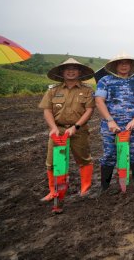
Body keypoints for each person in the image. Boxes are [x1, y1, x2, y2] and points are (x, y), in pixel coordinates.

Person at [39, 58, 96, 211]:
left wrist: (75, 127)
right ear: (62, 72)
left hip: (79, 130)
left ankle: (85, 188)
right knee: (52, 162)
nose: (71, 71)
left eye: (74, 69)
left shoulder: (87, 90)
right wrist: (53, 128)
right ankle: (53, 191)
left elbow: (89, 110)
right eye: (67, 69)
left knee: (83, 158)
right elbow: (47, 110)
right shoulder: (53, 90)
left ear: (80, 72)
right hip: (58, 130)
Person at [94, 52, 134, 194]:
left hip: (132, 124)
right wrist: (110, 121)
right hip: (111, 125)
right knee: (109, 154)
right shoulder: (105, 81)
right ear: (115, 65)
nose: (124, 65)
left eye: (127, 63)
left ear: (130, 65)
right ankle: (104, 186)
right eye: (121, 63)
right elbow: (99, 100)